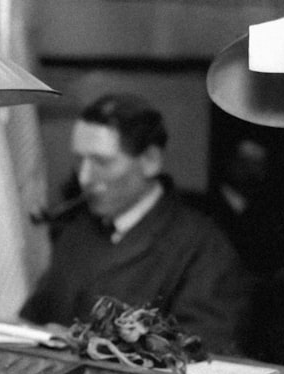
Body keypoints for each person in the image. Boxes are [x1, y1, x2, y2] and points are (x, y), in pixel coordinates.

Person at [19, 92, 250, 355]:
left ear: (150, 160)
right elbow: (32, 320)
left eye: (101, 162)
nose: (84, 177)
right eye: (79, 160)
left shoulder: (204, 247)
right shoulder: (76, 231)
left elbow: (205, 351)